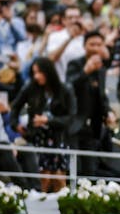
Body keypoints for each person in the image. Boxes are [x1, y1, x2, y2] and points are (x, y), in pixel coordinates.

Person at [10, 57, 75, 193]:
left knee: (59, 179)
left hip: (59, 138)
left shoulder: (65, 90)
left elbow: (70, 117)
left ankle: (60, 210)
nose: (37, 76)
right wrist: (15, 124)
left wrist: (48, 120)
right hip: (37, 138)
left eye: (40, 72)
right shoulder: (31, 87)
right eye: (34, 73)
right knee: (42, 179)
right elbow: (15, 106)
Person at [67, 31, 114, 176]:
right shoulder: (75, 64)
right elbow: (68, 87)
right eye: (92, 44)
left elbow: (101, 95)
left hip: (93, 125)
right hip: (75, 123)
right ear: (84, 46)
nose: (95, 48)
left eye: (99, 44)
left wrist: (108, 112)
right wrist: (85, 71)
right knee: (74, 168)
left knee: (90, 170)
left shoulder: (101, 69)